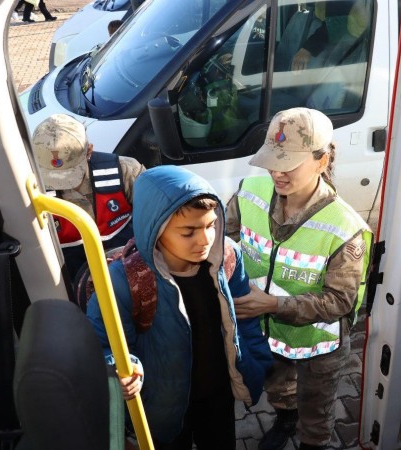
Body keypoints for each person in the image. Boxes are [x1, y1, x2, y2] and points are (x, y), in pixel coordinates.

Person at [86, 165, 273, 449]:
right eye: (188, 232)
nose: (205, 240)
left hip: (218, 395)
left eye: (211, 225)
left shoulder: (228, 258)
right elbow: (102, 345)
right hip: (162, 404)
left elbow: (244, 319)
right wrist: (122, 368)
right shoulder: (125, 280)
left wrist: (256, 363)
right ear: (155, 228)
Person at [225, 107, 373, 450]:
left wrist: (274, 304)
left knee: (316, 412)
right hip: (268, 333)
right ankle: (285, 418)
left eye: (288, 163)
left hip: (318, 345)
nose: (277, 172)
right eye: (272, 160)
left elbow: (340, 301)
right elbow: (228, 241)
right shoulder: (251, 191)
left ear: (322, 161)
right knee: (279, 387)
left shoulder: (344, 227)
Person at [32, 114, 145, 281]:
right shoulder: (31, 190)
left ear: (89, 151)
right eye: (51, 175)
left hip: (134, 276)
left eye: (70, 173)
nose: (64, 185)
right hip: (72, 286)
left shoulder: (126, 171)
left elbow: (157, 221)